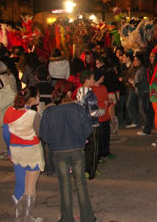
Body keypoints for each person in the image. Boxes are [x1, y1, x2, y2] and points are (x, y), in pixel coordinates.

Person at [40, 80, 96, 222]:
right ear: (70, 93)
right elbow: (88, 128)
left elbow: (44, 134)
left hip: (59, 152)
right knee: (80, 184)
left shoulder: (49, 111)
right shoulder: (77, 109)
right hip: (77, 149)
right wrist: (80, 138)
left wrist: (55, 142)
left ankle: (67, 218)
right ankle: (87, 217)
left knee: (64, 185)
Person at [3, 87, 44, 221]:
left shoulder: (9, 111)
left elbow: (6, 134)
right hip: (31, 151)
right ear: (32, 99)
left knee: (20, 183)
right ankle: (27, 216)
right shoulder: (32, 115)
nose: (39, 98)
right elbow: (40, 134)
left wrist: (9, 149)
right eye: (38, 96)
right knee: (30, 185)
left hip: (16, 151)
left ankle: (19, 215)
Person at [0, 60, 18, 158]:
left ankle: (8, 150)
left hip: (3, 107)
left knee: (4, 130)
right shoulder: (11, 76)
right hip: (13, 105)